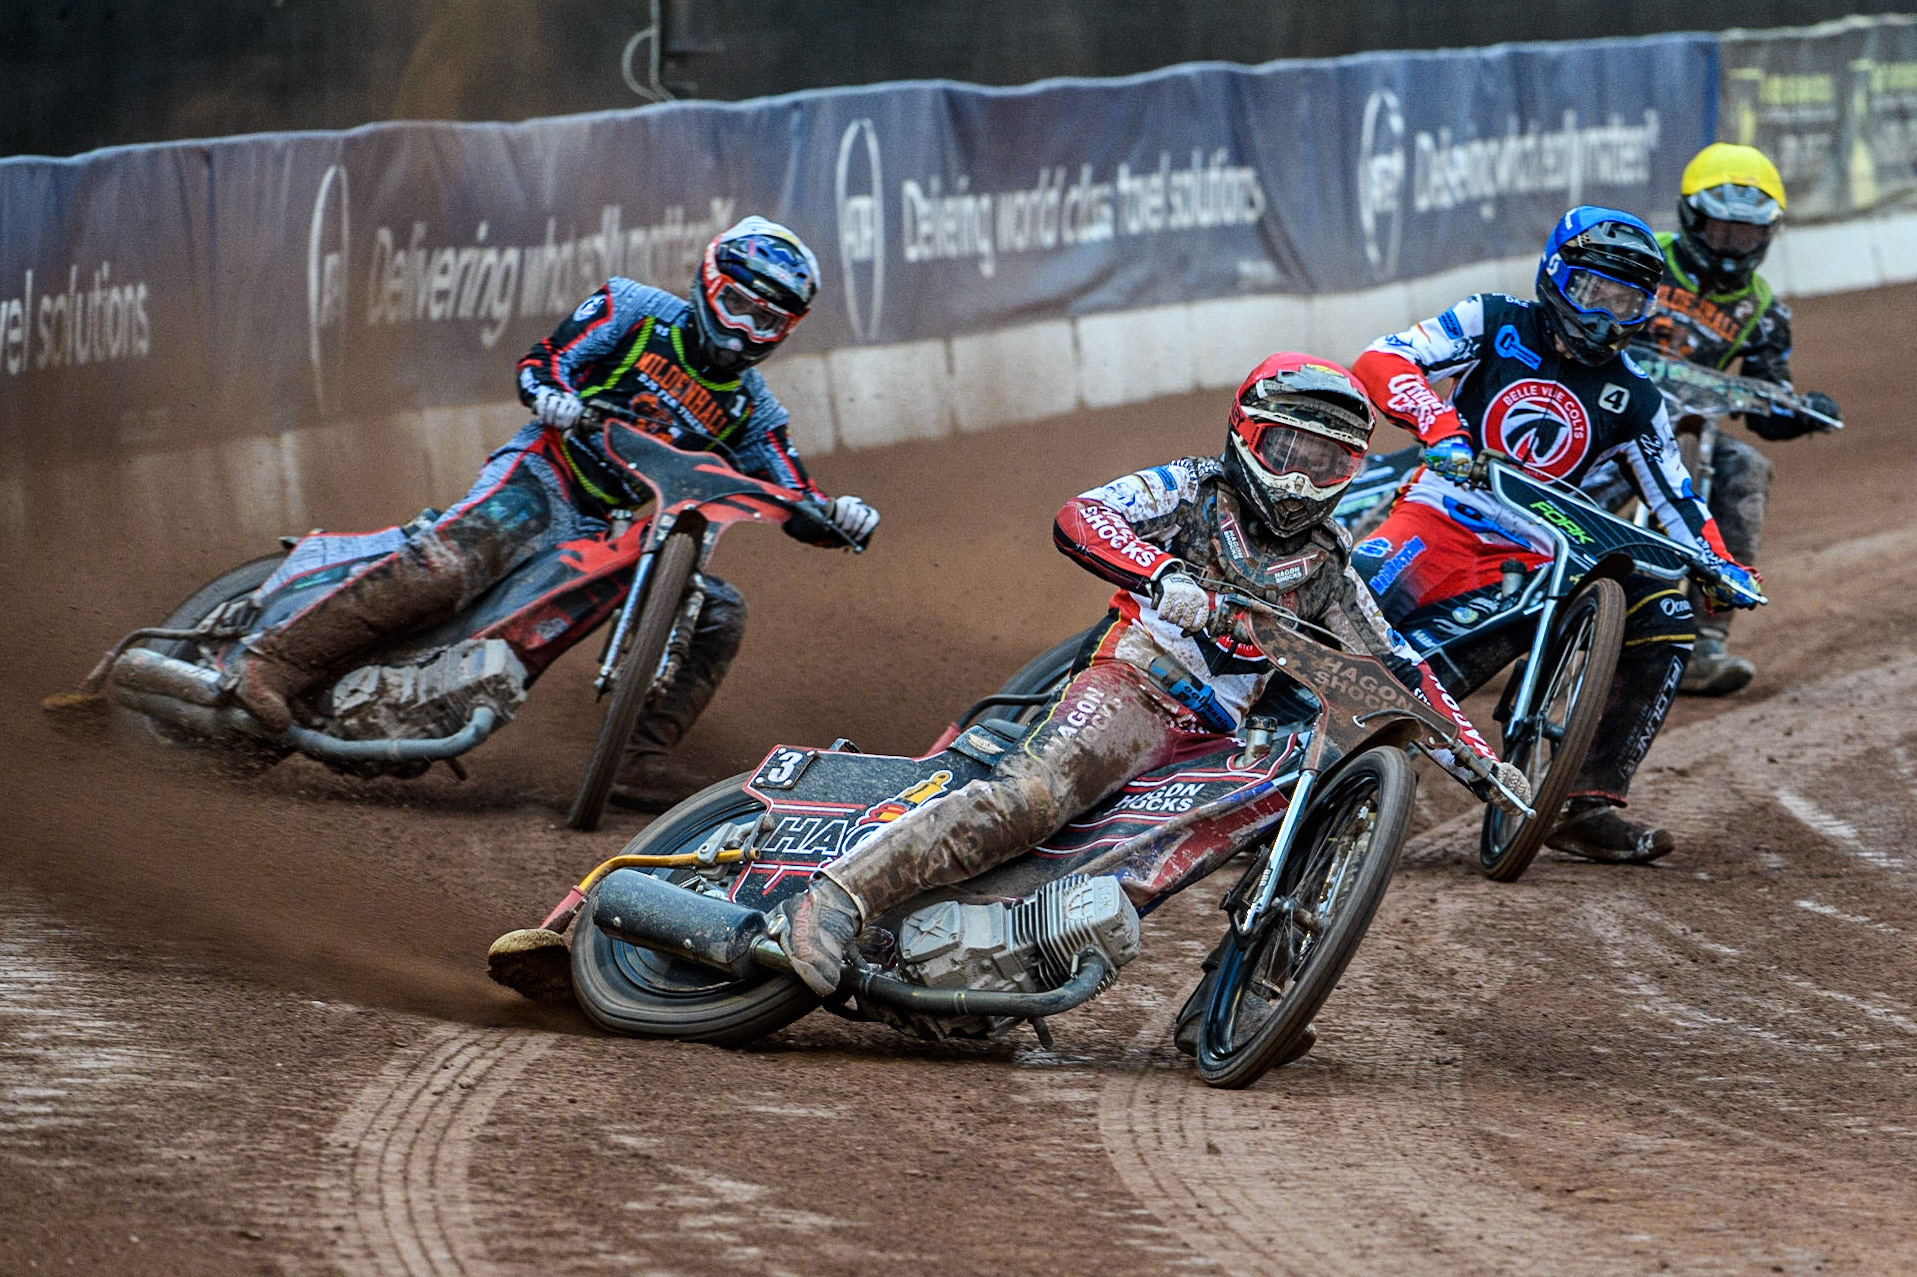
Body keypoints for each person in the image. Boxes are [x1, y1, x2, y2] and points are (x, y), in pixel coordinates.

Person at [776, 352, 1527, 1037]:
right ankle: (835, 899)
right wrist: (1161, 575)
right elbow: (1082, 515)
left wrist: (1482, 764)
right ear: (1246, 434)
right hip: (1135, 687)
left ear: (1351, 469)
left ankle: (1237, 995)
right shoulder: (1191, 488)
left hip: (1219, 741)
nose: (1300, 480)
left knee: (1225, 840)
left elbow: (1397, 669)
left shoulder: (1329, 565)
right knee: (1033, 798)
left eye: (1325, 462)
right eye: (1287, 452)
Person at [226, 216, 879, 808]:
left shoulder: (752, 410)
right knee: (455, 563)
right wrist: (554, 397)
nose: (740, 331)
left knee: (718, 611)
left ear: (784, 331)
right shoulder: (635, 309)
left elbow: (795, 497)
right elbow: (543, 362)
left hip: (618, 531)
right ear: (708, 285)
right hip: (543, 474)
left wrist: (840, 516)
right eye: (735, 305)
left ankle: (633, 757)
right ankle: (276, 661)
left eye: (763, 321)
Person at [1349, 205, 1760, 865]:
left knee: (1666, 614)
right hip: (1443, 513)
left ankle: (1582, 803)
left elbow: (1675, 494)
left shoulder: (1636, 397)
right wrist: (1439, 426)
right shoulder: (1493, 319)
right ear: (1554, 275)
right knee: (1346, 610)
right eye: (1591, 291)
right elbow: (1383, 357)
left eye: (1625, 302)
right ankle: (1261, 759)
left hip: (1548, 554)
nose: (1604, 317)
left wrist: (1719, 563)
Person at [1632, 142, 1842, 695]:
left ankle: (1704, 642)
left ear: (1766, 236)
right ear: (1691, 219)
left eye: (1744, 235)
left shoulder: (1763, 310)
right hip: (1602, 406)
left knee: (1746, 467)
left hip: (1687, 428)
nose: (1730, 247)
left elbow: (1767, 404)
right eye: (1721, 231)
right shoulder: (1642, 257)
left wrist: (1804, 413)